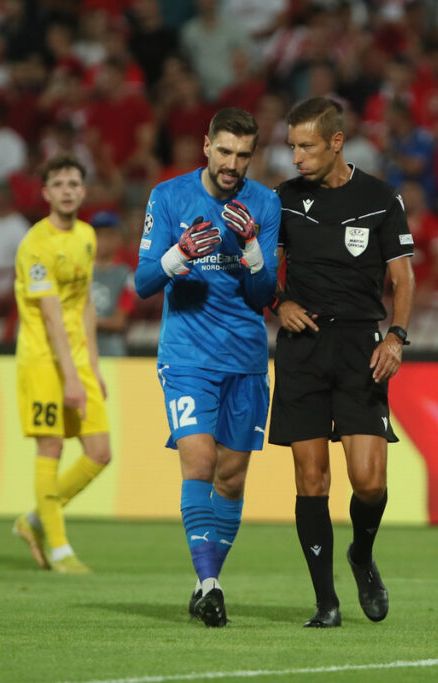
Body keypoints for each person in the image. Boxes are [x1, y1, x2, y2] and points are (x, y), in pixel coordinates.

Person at [269, 97, 415, 629]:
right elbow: (258, 269)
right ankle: (325, 602)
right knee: (312, 481)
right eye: (291, 146)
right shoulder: (282, 200)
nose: (296, 157)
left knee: (369, 482)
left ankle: (361, 555)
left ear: (335, 143)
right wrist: (278, 302)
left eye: (305, 146)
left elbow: (402, 279)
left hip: (360, 348)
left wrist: (395, 337)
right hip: (303, 350)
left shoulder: (380, 197)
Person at [134, 108, 280, 627]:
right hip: (188, 356)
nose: (232, 164)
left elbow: (266, 296)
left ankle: (203, 583)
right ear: (206, 146)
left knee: (233, 477)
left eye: (242, 155)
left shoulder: (264, 202)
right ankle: (213, 584)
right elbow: (143, 283)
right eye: (224, 152)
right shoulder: (168, 196)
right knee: (197, 460)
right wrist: (178, 255)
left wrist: (253, 252)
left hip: (245, 357)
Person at [10, 155, 112, 575]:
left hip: (77, 360)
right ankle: (60, 549)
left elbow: (84, 302)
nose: (68, 189)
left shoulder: (87, 236)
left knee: (99, 453)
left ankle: (33, 520)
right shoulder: (36, 244)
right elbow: (51, 314)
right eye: (59, 183)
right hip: (42, 361)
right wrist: (70, 376)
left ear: (83, 191)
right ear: (46, 193)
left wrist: (93, 364)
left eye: (75, 182)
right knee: (50, 447)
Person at [90, 210, 136, 357]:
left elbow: (119, 322)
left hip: (110, 353)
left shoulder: (125, 274)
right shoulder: (79, 270)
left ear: (119, 238)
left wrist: (84, 320)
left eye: (109, 234)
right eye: (98, 234)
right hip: (79, 352)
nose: (102, 240)